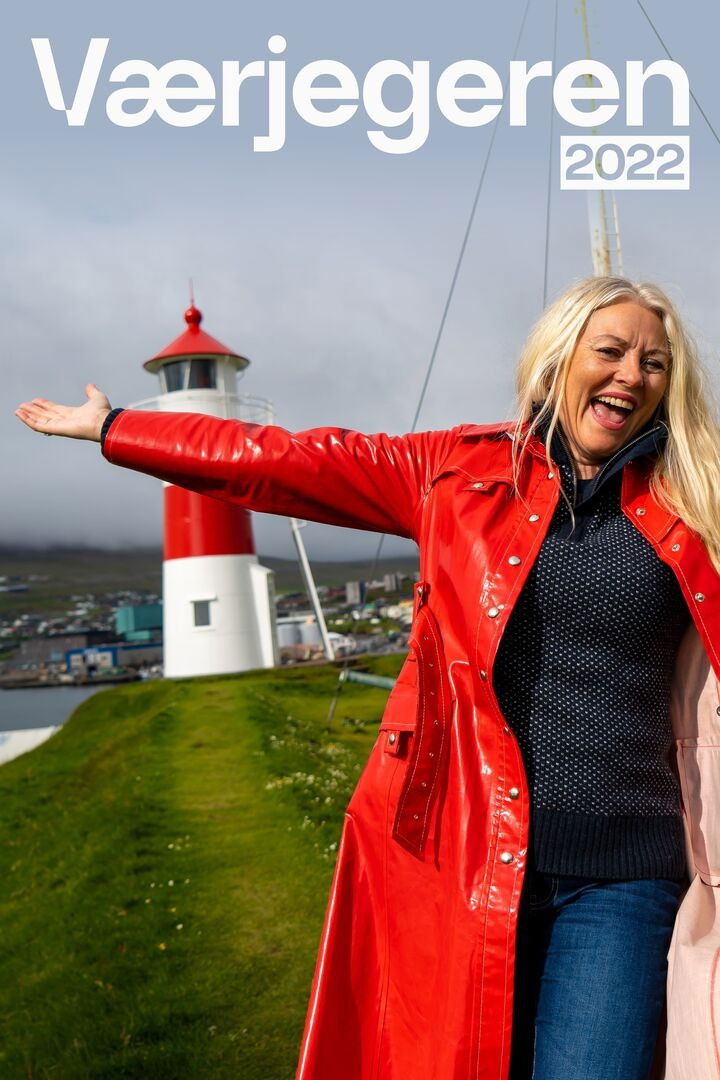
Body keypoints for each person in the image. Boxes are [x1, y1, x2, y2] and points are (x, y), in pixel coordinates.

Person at [15, 276, 720, 1080]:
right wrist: (119, 427)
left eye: (654, 363)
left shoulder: (695, 498)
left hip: (628, 872)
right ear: (560, 357)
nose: (631, 375)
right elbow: (282, 461)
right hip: (471, 854)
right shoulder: (452, 471)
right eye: (611, 351)